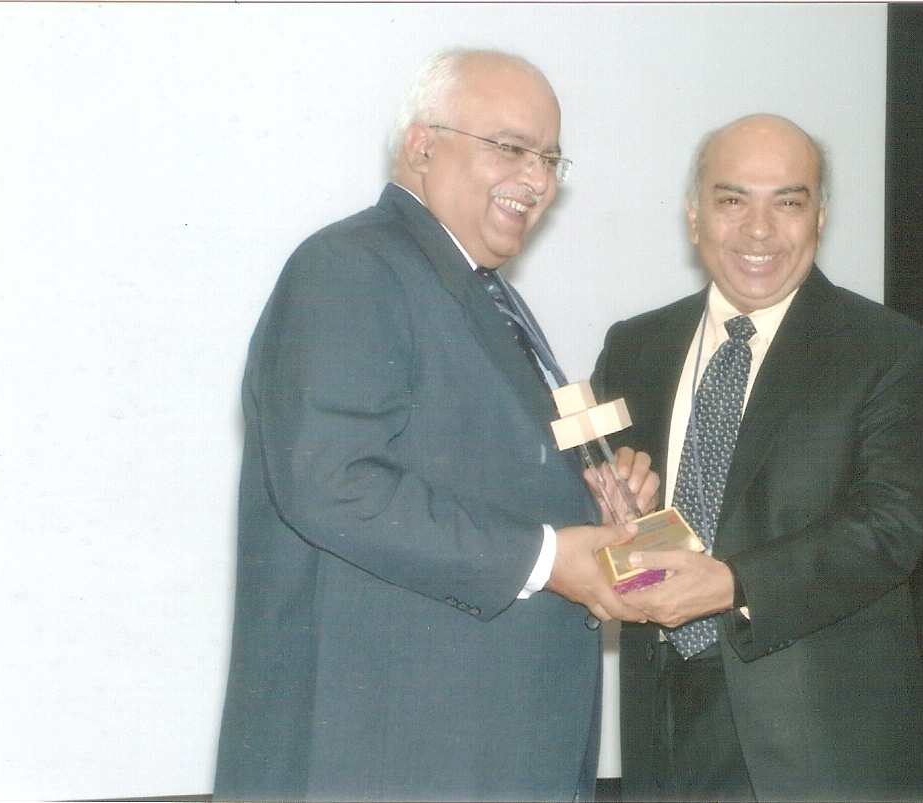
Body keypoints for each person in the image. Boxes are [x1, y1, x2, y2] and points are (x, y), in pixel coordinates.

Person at [213, 48, 656, 803]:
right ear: (421, 147)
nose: (538, 180)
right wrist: (550, 557)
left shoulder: (479, 292)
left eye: (550, 158)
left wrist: (594, 501)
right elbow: (330, 482)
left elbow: (470, 472)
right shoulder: (350, 266)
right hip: (392, 757)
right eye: (511, 148)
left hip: (479, 746)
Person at [591, 114, 923, 802]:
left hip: (821, 748)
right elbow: (632, 527)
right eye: (732, 200)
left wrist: (730, 585)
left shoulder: (886, 348)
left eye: (787, 202)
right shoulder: (634, 346)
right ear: (694, 215)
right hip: (662, 730)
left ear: (820, 217)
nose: (759, 230)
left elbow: (890, 528)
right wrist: (613, 526)